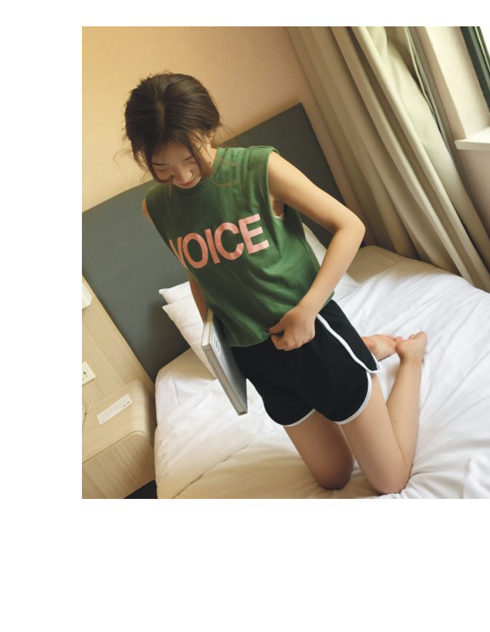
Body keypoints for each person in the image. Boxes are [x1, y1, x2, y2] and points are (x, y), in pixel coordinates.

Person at [124, 72, 427, 495]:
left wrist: (307, 311)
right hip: (256, 356)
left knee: (389, 481)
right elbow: (199, 271)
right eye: (164, 169)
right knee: (334, 476)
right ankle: (368, 347)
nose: (184, 176)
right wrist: (217, 349)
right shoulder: (157, 206)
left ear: (209, 129)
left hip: (313, 333)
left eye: (191, 158)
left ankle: (408, 358)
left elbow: (349, 226)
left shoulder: (259, 168)